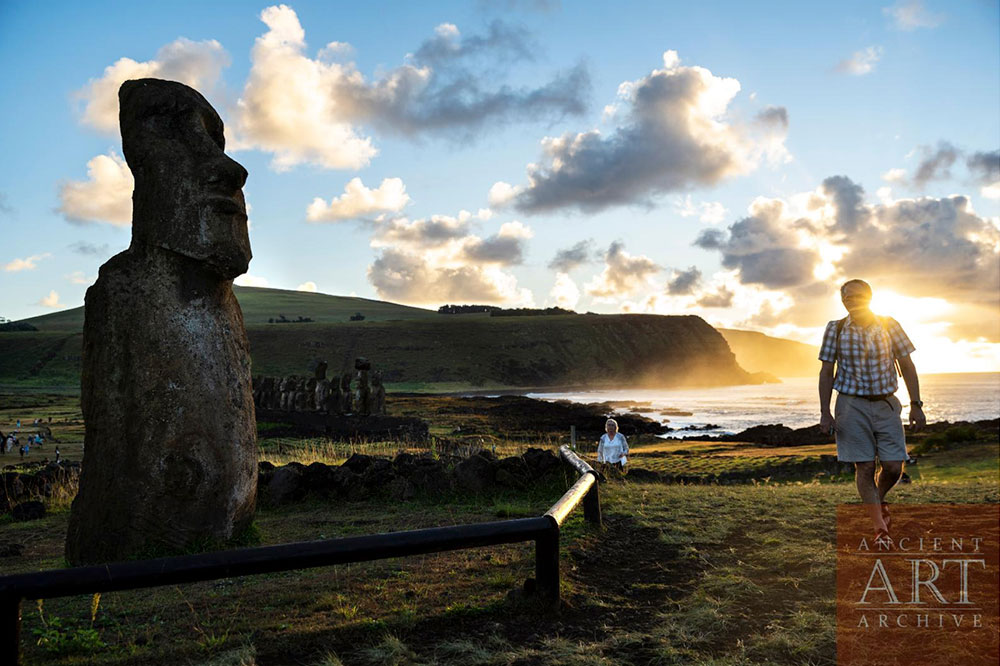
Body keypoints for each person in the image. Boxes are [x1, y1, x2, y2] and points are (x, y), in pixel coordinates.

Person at [819, 279, 925, 541]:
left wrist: (916, 405)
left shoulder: (890, 324)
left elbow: (907, 365)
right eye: (846, 298)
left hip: (886, 403)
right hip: (850, 404)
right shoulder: (836, 328)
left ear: (869, 297)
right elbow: (826, 371)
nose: (851, 302)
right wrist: (824, 411)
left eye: (856, 297)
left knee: (892, 466)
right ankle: (880, 527)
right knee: (864, 466)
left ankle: (878, 500)